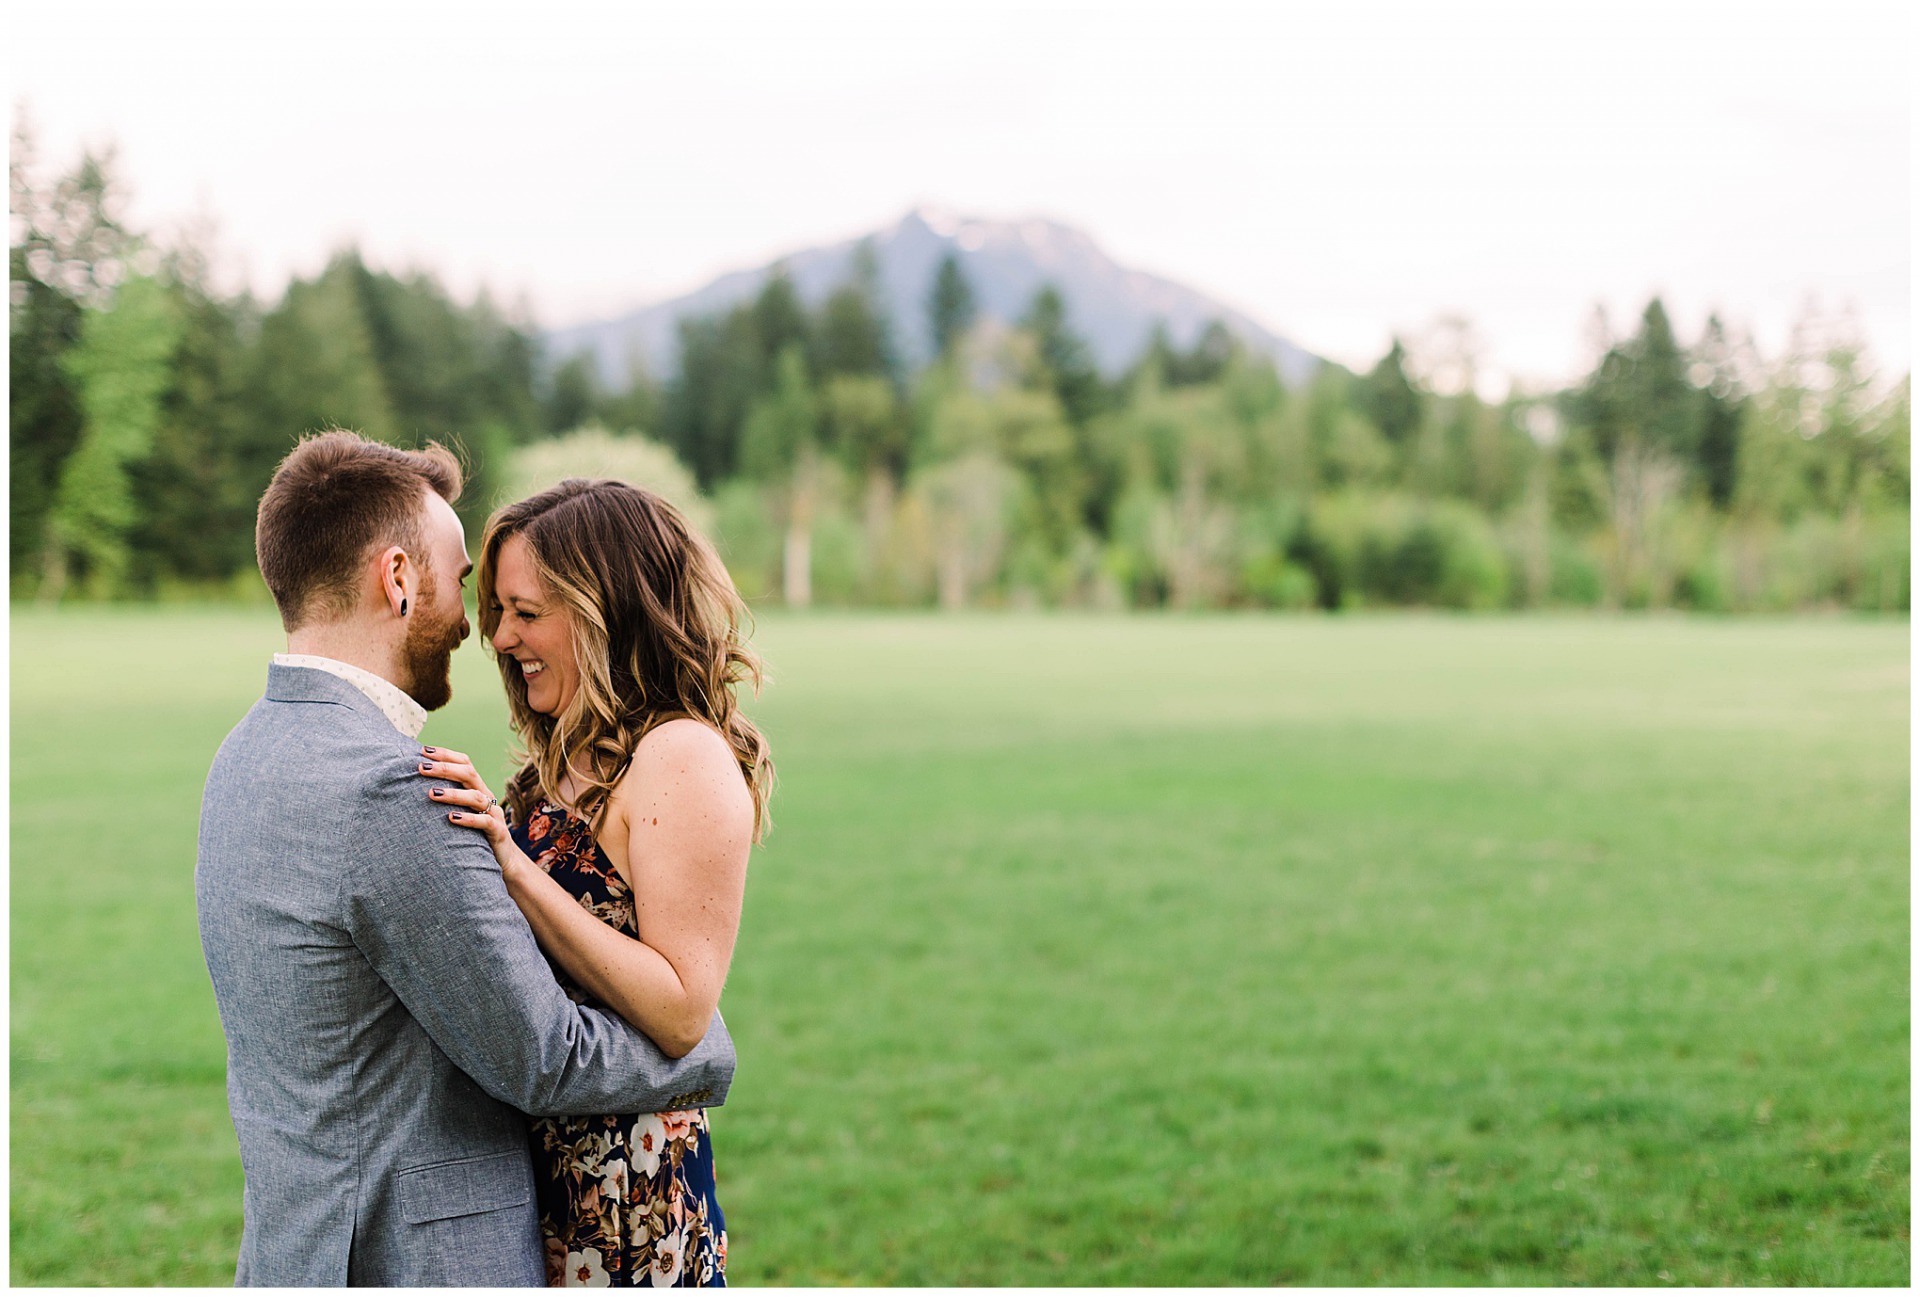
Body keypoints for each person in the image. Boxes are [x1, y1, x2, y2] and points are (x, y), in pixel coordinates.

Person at [195, 431, 735, 1287]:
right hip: (415, 1259)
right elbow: (544, 1055)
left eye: (519, 608)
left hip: (299, 1250)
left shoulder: (243, 756)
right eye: (466, 587)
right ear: (399, 579)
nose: (479, 629)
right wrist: (707, 1055)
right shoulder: (388, 787)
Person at [416, 479, 771, 1287]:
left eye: (528, 611)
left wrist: (509, 866)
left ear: (606, 608)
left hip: (624, 1202)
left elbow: (684, 1008)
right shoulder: (553, 766)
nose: (500, 637)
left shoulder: (680, 757)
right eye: (498, 611)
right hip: (532, 1185)